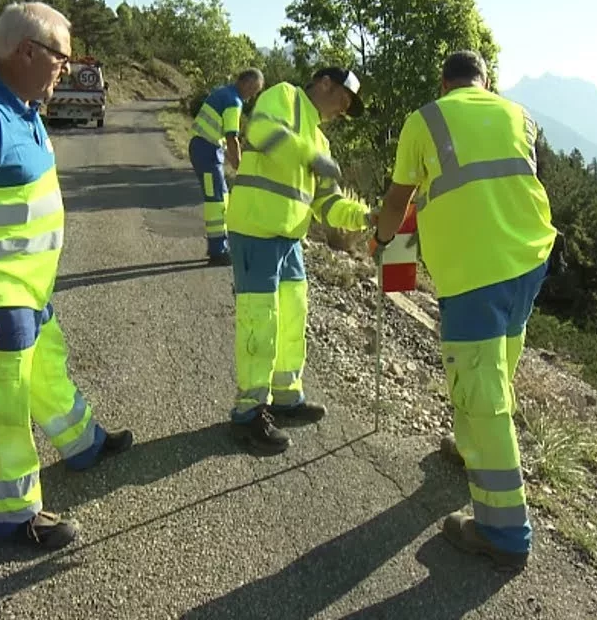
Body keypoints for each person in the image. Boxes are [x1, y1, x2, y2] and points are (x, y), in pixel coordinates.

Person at [0, 1, 133, 551]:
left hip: (29, 287)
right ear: (27, 52)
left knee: (48, 373)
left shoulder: (23, 104)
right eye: (61, 57)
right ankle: (14, 516)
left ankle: (83, 443)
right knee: (3, 405)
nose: (67, 67)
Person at [370, 50, 557, 568]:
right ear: (486, 81)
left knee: (481, 392)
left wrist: (382, 239)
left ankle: (504, 531)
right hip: (530, 259)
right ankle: (471, 446)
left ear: (443, 81)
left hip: (476, 272)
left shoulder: (425, 119)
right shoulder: (519, 115)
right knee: (500, 363)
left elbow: (397, 199)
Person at [224, 67, 373, 453]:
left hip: (289, 239)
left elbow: (327, 204)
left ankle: (285, 396)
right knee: (261, 321)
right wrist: (311, 156)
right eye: (344, 99)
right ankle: (249, 412)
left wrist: (363, 216)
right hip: (255, 230)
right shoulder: (285, 96)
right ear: (325, 83)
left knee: (293, 316)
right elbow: (260, 131)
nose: (344, 109)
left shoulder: (320, 139)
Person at [188, 69, 266, 266]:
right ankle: (218, 252)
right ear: (247, 84)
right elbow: (232, 138)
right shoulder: (234, 101)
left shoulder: (224, 92)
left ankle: (219, 246)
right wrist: (240, 168)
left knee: (220, 197)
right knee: (216, 200)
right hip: (207, 151)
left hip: (203, 148)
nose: (253, 95)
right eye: (254, 89)